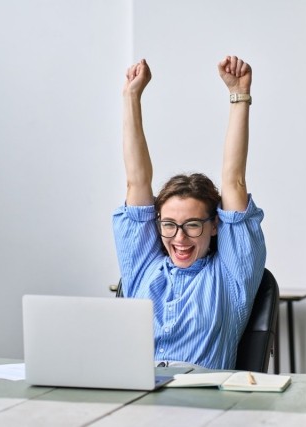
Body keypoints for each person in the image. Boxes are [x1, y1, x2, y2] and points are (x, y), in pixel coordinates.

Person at [113, 55, 266, 370]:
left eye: (192, 225)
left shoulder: (230, 277)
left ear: (214, 226)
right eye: (169, 224)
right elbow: (136, 181)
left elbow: (234, 182)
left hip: (203, 408)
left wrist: (239, 96)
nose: (178, 238)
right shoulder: (143, 269)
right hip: (138, 403)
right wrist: (131, 96)